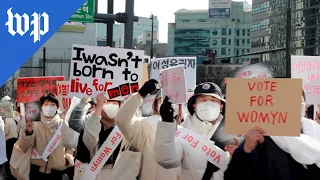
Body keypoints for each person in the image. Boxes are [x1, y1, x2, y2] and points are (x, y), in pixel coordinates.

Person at [224, 90, 320, 180]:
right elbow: (232, 176)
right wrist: (247, 150)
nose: (295, 104)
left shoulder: (316, 133)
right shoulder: (261, 136)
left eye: (299, 100)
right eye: (289, 100)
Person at [155, 82, 237, 180]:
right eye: (203, 100)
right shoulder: (183, 132)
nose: (208, 104)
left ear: (221, 106)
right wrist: (166, 123)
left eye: (213, 100)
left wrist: (240, 155)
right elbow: (166, 160)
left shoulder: (234, 132)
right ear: (194, 106)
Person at [112, 79, 179, 180]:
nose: (170, 103)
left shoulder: (186, 131)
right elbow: (121, 119)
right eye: (164, 99)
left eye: (175, 101)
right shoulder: (144, 125)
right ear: (156, 105)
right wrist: (140, 95)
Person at [17, 93, 75, 180]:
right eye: (46, 105)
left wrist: (67, 158)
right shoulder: (34, 124)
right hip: (37, 172)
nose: (49, 107)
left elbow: (71, 146)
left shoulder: (64, 125)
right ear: (41, 107)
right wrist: (28, 133)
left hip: (58, 173)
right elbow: (23, 147)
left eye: (52, 105)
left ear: (57, 108)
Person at [74, 94, 123, 180]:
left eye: (115, 102)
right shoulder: (90, 124)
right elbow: (89, 141)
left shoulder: (124, 127)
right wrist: (97, 111)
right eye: (107, 102)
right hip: (94, 174)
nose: (111, 105)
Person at [2, 96, 19, 180]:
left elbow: (19, 126)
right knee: (9, 162)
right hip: (8, 143)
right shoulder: (2, 118)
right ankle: (9, 176)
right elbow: (4, 131)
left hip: (16, 142)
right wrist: (4, 120)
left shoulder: (15, 115)